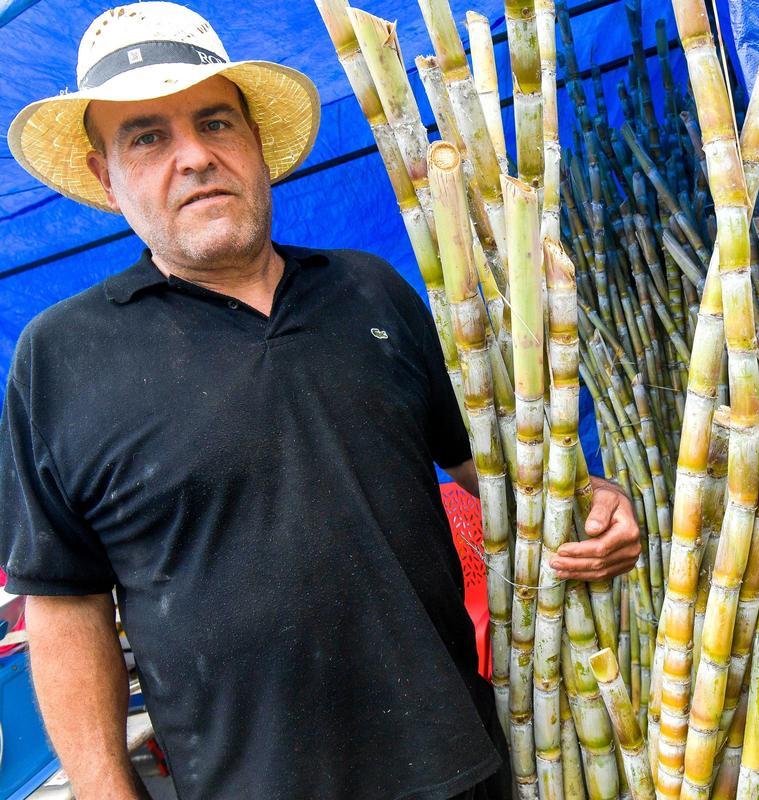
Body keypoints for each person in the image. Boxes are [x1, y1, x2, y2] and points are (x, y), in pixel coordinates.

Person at [0, 4, 641, 799]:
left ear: (256, 143)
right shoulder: (60, 356)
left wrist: (597, 503)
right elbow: (63, 602)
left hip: (463, 768)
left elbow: (494, 472)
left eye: (214, 122)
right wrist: (105, 789)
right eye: (148, 137)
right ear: (106, 176)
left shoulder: (368, 288)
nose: (194, 157)